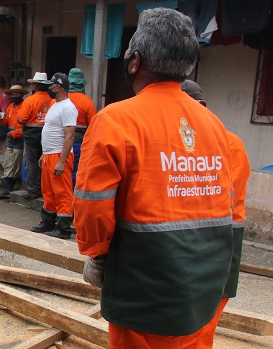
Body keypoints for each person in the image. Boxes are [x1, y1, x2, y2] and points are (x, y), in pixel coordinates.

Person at [74, 8, 234, 348]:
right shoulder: (214, 126)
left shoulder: (116, 120)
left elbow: (93, 205)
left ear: (136, 61)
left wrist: (97, 257)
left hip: (145, 288)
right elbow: (222, 204)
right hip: (203, 288)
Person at [181, 79, 251, 347]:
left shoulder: (227, 142)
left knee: (200, 327)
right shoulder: (187, 142)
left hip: (219, 240)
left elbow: (222, 201)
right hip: (194, 239)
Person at [31, 73, 76, 239]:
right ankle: (48, 221)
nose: (49, 88)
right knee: (48, 191)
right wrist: (44, 154)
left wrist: (62, 161)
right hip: (50, 154)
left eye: (52, 85)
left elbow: (70, 136)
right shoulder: (55, 105)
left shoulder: (68, 107)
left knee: (62, 192)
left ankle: (63, 227)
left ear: (59, 87)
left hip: (59, 155)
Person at [18, 72, 53, 200]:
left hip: (31, 136)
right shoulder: (52, 100)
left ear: (34, 86)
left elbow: (21, 119)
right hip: (48, 135)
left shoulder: (30, 101)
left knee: (31, 163)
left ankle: (33, 190)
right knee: (45, 163)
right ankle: (44, 189)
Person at [0, 84, 29, 199]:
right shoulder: (10, 107)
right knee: (9, 164)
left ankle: (14, 187)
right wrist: (1, 118)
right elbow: (6, 122)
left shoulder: (25, 106)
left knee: (17, 164)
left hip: (19, 140)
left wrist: (14, 133)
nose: (14, 96)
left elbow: (26, 128)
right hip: (11, 140)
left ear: (21, 94)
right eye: (12, 94)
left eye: (16, 94)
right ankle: (6, 189)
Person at [67, 68, 96, 188]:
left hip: (60, 142)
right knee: (75, 170)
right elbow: (93, 125)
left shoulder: (60, 100)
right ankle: (71, 197)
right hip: (78, 142)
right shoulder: (87, 102)